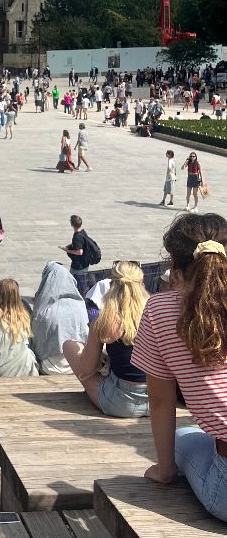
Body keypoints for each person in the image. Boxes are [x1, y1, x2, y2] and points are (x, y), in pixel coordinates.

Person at [132, 212, 227, 520]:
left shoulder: (160, 310)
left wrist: (164, 470)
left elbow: (160, 401)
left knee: (182, 437)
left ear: (175, 266)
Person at [62, 260, 149, 417]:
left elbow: (86, 369)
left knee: (69, 346)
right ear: (142, 283)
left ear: (112, 286)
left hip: (119, 402)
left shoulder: (105, 320)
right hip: (157, 400)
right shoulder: (158, 315)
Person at [31, 262, 89, 373]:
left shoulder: (43, 311)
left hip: (50, 368)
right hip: (76, 364)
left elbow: (37, 343)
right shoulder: (79, 305)